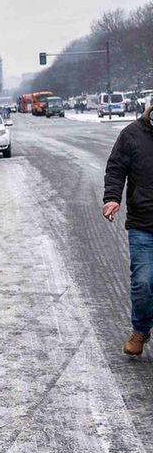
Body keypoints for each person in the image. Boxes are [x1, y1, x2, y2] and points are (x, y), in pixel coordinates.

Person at [103, 105, 153, 357]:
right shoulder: (132, 134)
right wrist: (112, 197)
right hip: (144, 224)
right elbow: (116, 168)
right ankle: (141, 330)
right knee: (143, 282)